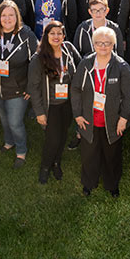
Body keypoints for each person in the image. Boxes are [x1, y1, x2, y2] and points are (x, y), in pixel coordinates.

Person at [71, 26, 130, 197]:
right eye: (99, 43)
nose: (103, 47)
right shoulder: (85, 64)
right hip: (88, 120)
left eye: (107, 43)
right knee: (89, 155)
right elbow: (76, 88)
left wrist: (123, 119)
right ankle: (88, 182)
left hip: (112, 122)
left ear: (113, 45)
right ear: (93, 44)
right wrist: (77, 114)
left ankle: (112, 184)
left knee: (111, 156)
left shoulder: (121, 66)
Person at [0, 0, 39, 167]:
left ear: (17, 17)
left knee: (15, 122)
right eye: (4, 15)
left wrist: (31, 87)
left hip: (18, 90)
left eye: (11, 15)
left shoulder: (26, 34)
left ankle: (21, 151)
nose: (7, 19)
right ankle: (9, 142)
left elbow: (36, 62)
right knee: (4, 119)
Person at [28, 21, 82, 184]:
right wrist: (39, 112)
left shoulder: (69, 50)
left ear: (64, 36)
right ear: (46, 36)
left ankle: (57, 162)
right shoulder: (38, 58)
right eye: (52, 33)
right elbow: (34, 87)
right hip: (49, 105)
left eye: (59, 33)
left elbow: (80, 68)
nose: (56, 36)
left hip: (66, 104)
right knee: (53, 139)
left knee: (63, 135)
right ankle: (45, 167)